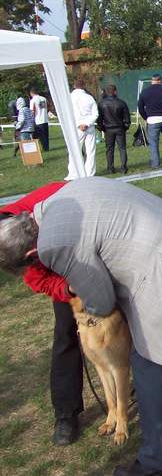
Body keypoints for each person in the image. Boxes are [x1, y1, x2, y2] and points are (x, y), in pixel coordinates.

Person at [0, 177, 162, 476]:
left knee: (152, 366)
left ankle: (161, 463)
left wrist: (87, 314)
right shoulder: (56, 198)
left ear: (30, 254)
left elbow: (102, 300)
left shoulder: (54, 245)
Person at [0, 182, 84, 447]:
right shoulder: (11, 247)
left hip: (91, 241)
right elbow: (39, 281)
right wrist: (68, 288)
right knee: (66, 334)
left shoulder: (58, 197)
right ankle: (66, 414)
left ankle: (146, 381)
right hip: (64, 273)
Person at [66, 78, 99, 179]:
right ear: (84, 86)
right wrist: (87, 123)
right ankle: (89, 173)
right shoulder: (89, 97)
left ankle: (73, 173)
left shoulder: (69, 97)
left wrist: (79, 124)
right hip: (89, 126)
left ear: (74, 86)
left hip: (76, 127)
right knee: (90, 150)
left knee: (74, 150)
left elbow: (69, 113)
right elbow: (95, 113)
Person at [97, 85, 131, 174]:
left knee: (109, 149)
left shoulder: (102, 104)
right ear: (115, 91)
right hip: (120, 128)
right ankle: (123, 168)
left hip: (108, 129)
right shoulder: (121, 103)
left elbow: (99, 118)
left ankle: (110, 168)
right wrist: (126, 127)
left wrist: (101, 128)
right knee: (122, 148)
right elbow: (127, 118)